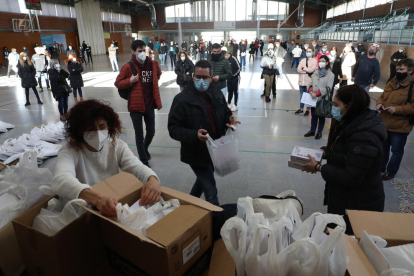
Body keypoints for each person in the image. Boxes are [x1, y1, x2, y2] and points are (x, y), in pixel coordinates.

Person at [50, 99, 160, 217]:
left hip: (109, 206)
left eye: (102, 127)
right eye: (91, 129)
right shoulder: (70, 150)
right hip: (80, 212)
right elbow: (61, 179)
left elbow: (136, 166)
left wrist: (153, 180)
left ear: (109, 125)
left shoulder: (116, 146)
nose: (98, 133)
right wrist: (98, 199)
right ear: (80, 131)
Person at [301, 84, 386, 234]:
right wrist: (324, 152)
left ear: (350, 105)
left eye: (336, 105)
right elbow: (344, 151)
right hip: (344, 198)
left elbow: (351, 177)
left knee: (345, 245)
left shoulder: (364, 136)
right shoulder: (351, 121)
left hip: (358, 204)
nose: (333, 108)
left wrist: (319, 167)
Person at [168, 60, 241, 206]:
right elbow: (173, 129)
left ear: (211, 77)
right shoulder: (182, 99)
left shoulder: (217, 92)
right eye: (198, 77)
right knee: (210, 190)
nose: (201, 80)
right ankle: (216, 220)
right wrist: (194, 134)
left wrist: (229, 119)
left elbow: (225, 111)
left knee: (202, 182)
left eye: (205, 77)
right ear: (193, 76)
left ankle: (186, 206)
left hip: (215, 150)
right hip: (196, 152)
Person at [115, 40, 162, 167]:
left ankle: (145, 148)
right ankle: (144, 161)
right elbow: (118, 83)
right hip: (135, 106)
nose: (142, 53)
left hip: (149, 105)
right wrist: (130, 81)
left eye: (144, 50)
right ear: (134, 52)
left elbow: (158, 74)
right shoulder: (128, 67)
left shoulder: (152, 64)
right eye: (139, 51)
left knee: (151, 131)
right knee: (139, 134)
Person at [376, 58, 414, 181]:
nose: (399, 71)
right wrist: (379, 103)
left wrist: (397, 109)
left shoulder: (412, 86)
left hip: (400, 125)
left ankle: (391, 171)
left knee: (396, 150)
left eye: (402, 69)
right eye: (397, 69)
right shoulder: (392, 81)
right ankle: (381, 167)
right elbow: (382, 96)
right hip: (385, 122)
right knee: (383, 147)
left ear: (410, 70)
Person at [304, 55, 335, 140]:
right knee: (313, 115)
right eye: (320, 61)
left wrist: (317, 93)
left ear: (327, 63)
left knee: (321, 116)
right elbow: (310, 83)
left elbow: (328, 88)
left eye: (323, 61)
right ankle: (312, 131)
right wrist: (310, 91)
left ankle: (319, 132)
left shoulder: (331, 75)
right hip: (313, 98)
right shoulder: (315, 72)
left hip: (322, 98)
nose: (321, 62)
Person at [296, 48, 317, 116]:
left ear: (312, 52)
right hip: (301, 80)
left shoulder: (314, 61)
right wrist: (306, 70)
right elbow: (298, 69)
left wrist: (304, 68)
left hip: (309, 81)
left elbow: (312, 70)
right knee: (302, 95)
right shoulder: (302, 60)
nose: (308, 52)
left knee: (308, 95)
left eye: (309, 51)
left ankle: (308, 109)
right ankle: (301, 108)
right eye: (307, 51)